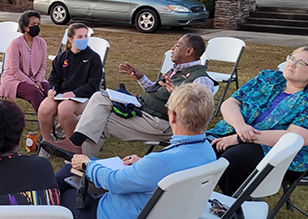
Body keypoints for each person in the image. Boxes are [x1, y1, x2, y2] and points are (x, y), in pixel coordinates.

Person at [52, 83, 216, 219]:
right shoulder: (207, 151)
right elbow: (167, 168)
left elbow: (114, 183)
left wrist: (86, 164)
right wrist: (142, 164)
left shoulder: (162, 161)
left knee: (61, 186)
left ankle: (37, 207)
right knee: (68, 170)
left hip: (110, 212)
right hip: (162, 208)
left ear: (172, 116)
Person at [42, 34, 214, 158]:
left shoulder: (200, 79)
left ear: (189, 51)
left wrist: (177, 96)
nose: (172, 48)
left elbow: (198, 117)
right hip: (143, 111)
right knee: (98, 109)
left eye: (177, 45)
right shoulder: (178, 70)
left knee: (96, 116)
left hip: (160, 124)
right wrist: (141, 78)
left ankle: (75, 157)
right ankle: (80, 167)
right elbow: (157, 92)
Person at [208, 46, 308, 196]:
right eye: (292, 59)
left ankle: (232, 209)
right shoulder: (267, 77)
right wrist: (240, 126)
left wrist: (240, 138)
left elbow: (295, 137)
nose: (292, 64)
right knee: (201, 147)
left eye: (300, 63)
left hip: (280, 151)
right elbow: (231, 103)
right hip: (236, 131)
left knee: (233, 158)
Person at [38, 23, 102, 139]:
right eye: (80, 37)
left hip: (83, 97)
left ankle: (71, 144)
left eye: (85, 36)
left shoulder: (94, 58)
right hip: (62, 95)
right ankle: (46, 142)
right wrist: (52, 89)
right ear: (70, 39)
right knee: (44, 108)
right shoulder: (61, 58)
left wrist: (75, 93)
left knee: (64, 109)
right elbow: (54, 78)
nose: (84, 39)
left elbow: (93, 85)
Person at [0, 10, 48, 112]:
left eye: (38, 24)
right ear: (25, 27)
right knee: (34, 92)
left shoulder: (41, 43)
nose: (36, 27)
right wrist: (32, 83)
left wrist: (38, 81)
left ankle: (56, 118)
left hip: (35, 78)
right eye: (33, 24)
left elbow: (43, 67)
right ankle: (46, 121)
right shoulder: (16, 43)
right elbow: (14, 70)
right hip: (14, 79)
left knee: (49, 89)